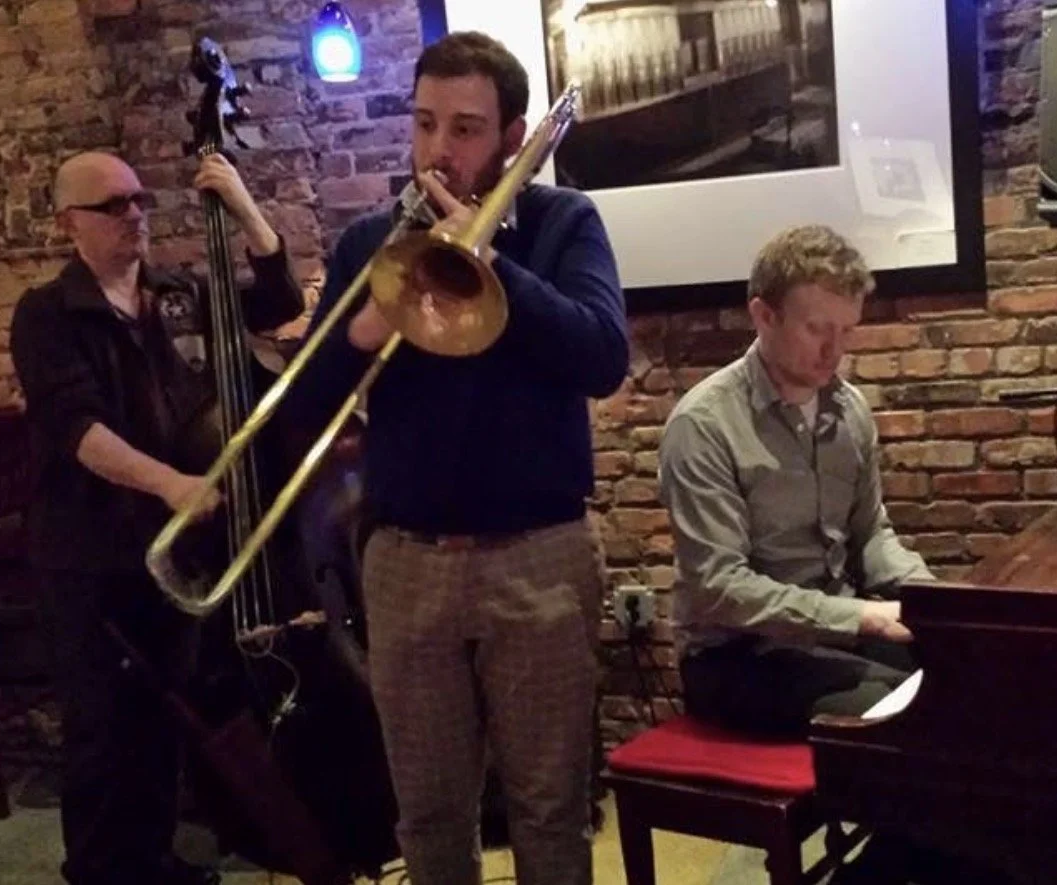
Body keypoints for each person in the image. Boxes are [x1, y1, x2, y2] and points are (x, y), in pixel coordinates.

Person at [283, 30, 629, 885]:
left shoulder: (561, 224)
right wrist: (364, 326)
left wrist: (491, 260)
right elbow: (305, 402)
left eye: (467, 128)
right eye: (426, 123)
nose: (440, 148)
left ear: (513, 137)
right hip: (407, 561)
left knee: (551, 808)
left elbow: (601, 356)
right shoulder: (370, 242)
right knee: (431, 814)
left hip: (540, 557)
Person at [9, 150, 303, 885]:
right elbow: (76, 430)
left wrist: (244, 207)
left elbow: (279, 303)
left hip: (172, 553)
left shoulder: (175, 293)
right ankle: (102, 869)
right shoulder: (46, 313)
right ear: (66, 223)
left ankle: (151, 858)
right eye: (111, 206)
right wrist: (171, 483)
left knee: (161, 719)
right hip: (90, 553)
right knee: (102, 728)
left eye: (138, 200)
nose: (132, 215)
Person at [658, 224, 933, 738]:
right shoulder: (703, 424)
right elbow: (721, 589)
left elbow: (870, 533)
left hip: (829, 629)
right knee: (907, 715)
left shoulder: (849, 411)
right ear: (764, 316)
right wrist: (863, 617)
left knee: (970, 678)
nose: (834, 351)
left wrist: (936, 603)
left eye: (846, 331)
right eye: (816, 329)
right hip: (733, 654)